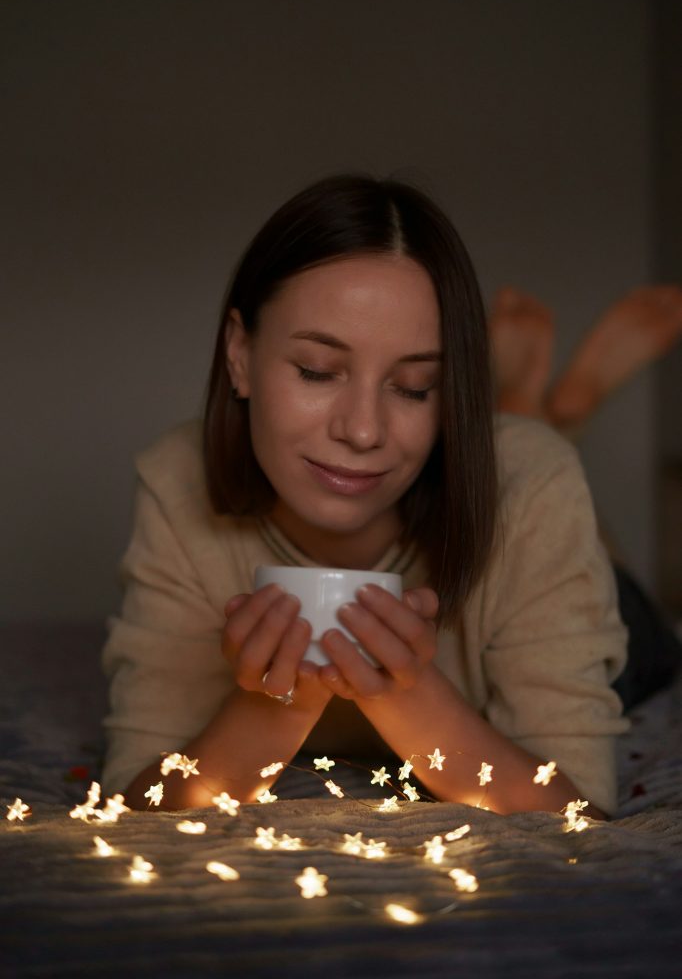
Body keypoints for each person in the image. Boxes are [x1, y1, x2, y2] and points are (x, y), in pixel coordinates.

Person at [101, 174, 629, 818]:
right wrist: (279, 700)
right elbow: (135, 801)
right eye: (318, 372)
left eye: (413, 387)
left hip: (595, 593)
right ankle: (521, 399)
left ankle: (533, 414)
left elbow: (582, 809)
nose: (362, 430)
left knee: (572, 520)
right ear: (239, 354)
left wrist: (405, 693)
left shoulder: (533, 485)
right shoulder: (177, 479)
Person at [489, 284, 682, 709]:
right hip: (596, 624)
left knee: (613, 609)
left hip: (578, 628)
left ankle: (535, 430)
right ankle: (541, 430)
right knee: (614, 608)